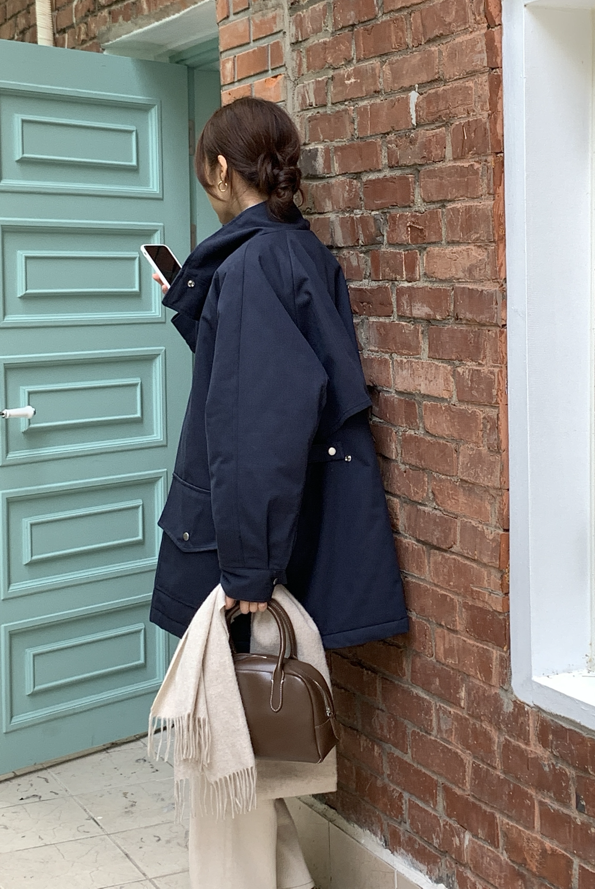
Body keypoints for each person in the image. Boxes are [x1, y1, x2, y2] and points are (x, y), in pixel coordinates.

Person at [148, 96, 409, 888]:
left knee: (224, 765)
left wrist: (248, 572)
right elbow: (276, 378)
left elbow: (256, 426)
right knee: (249, 779)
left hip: (238, 556)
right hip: (262, 543)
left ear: (220, 169)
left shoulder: (252, 265)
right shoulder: (295, 251)